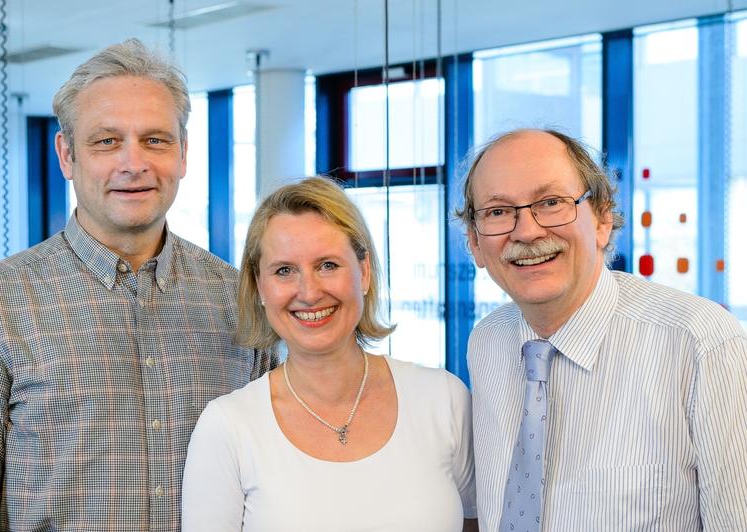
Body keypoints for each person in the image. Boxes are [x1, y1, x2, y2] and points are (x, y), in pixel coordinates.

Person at [0, 38, 275, 530]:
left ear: (184, 154)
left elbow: (265, 481)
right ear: (66, 156)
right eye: (106, 141)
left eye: (155, 140)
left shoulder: (239, 299)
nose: (133, 163)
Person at [456, 128, 747, 531]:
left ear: (602, 218)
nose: (526, 231)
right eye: (498, 211)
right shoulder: (486, 343)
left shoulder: (700, 344)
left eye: (552, 202)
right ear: (474, 242)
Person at [182, 176, 478, 531]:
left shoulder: (443, 399)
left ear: (364, 272)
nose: (308, 292)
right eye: (284, 271)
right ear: (260, 286)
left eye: (327, 265)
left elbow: (479, 521)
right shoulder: (227, 427)